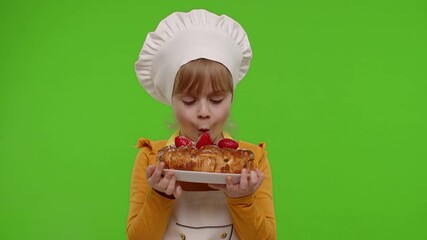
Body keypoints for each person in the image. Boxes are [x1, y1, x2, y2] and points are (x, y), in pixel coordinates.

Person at [126, 9, 276, 240]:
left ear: (231, 97)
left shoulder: (253, 160)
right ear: (171, 100)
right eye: (189, 100)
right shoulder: (151, 158)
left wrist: (243, 199)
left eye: (216, 100)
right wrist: (159, 195)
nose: (204, 112)